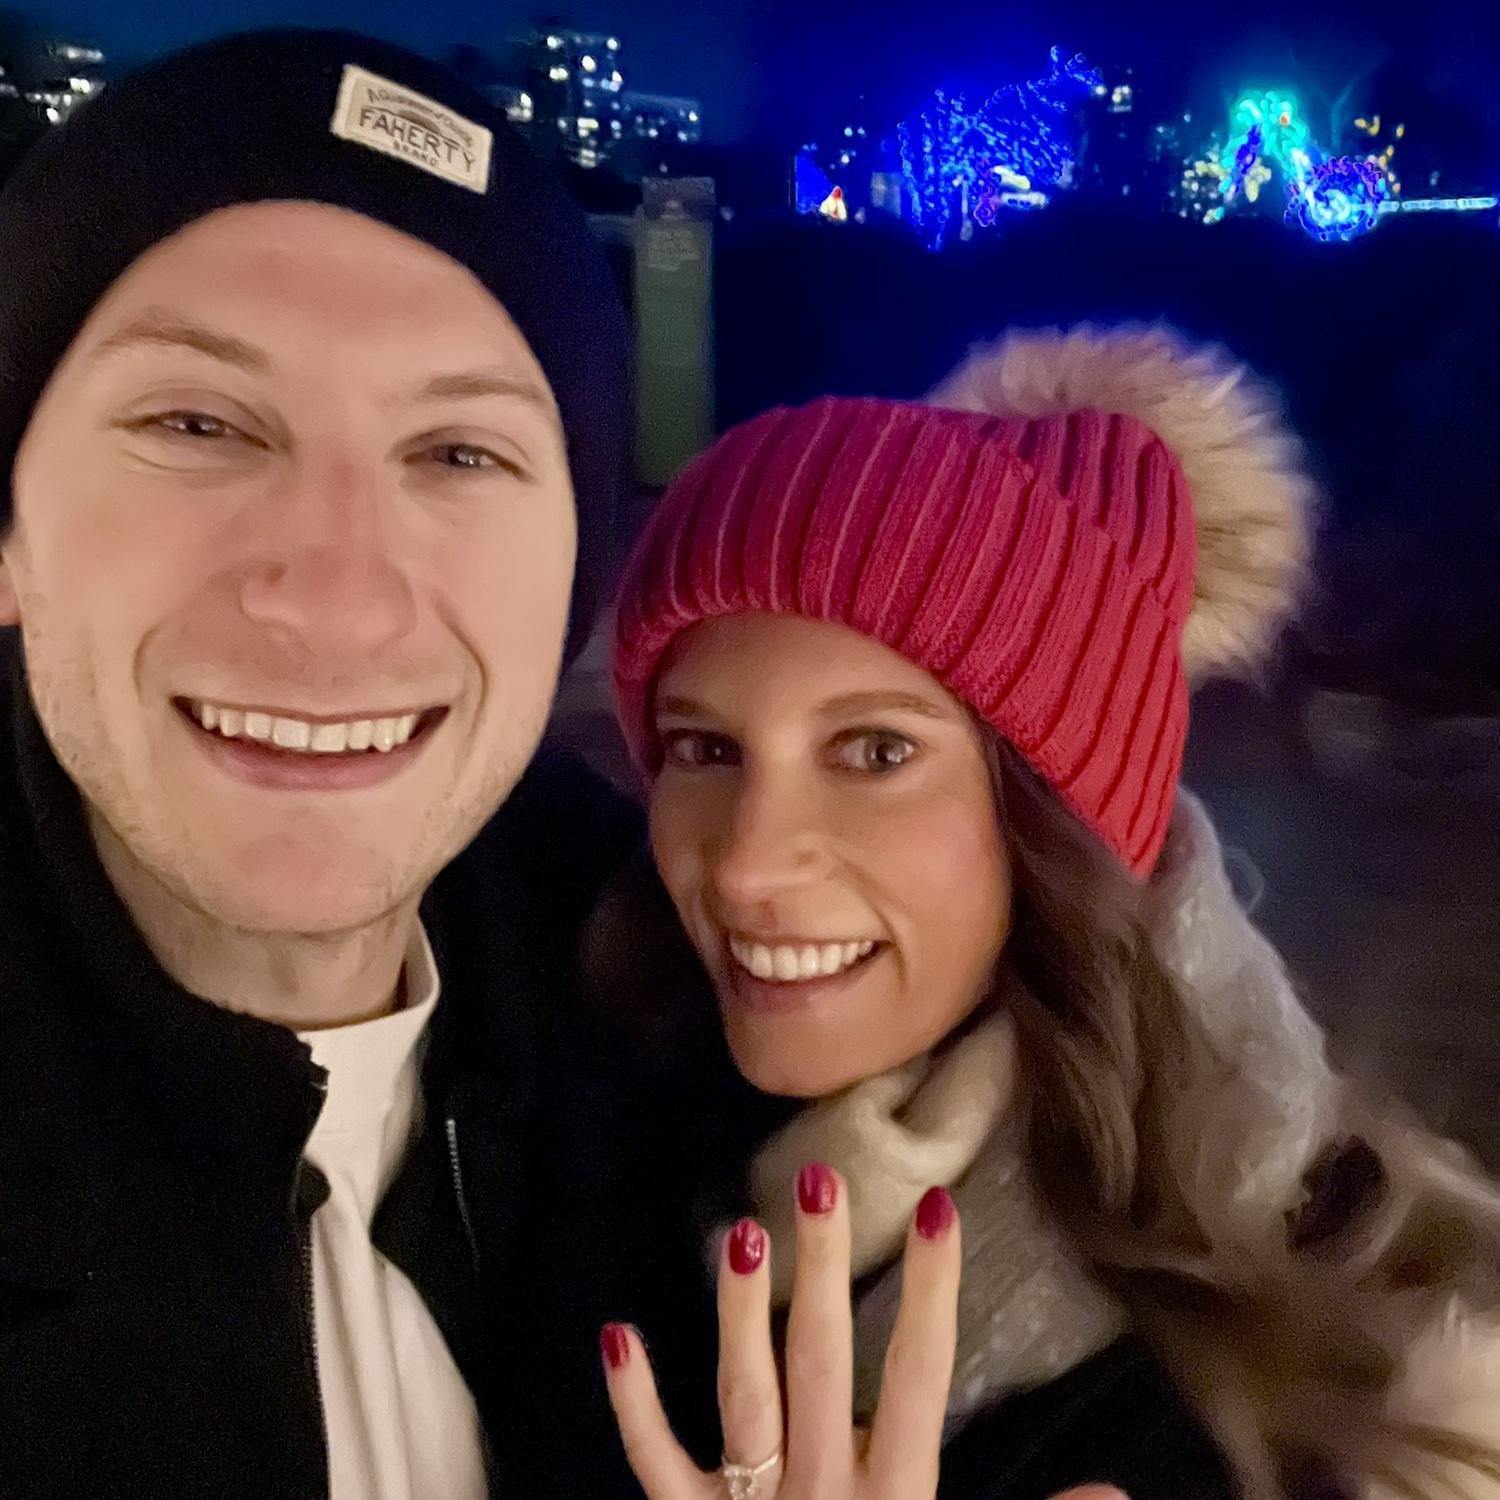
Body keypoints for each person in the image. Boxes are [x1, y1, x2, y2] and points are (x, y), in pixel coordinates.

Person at [595, 325, 1500, 1499]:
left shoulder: (1340, 1347)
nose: (747, 866)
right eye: (703, 748)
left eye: (876, 751)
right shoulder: (579, 1103)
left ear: (1060, 815)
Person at [0, 27, 665, 1500]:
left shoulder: (671, 992)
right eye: (197, 424)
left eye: (459, 454)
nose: (340, 599)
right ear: (11, 534)